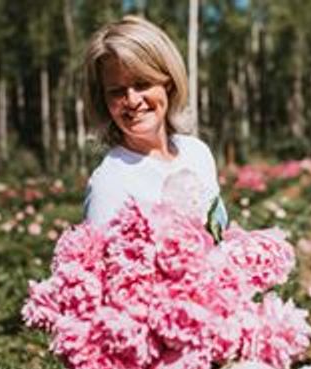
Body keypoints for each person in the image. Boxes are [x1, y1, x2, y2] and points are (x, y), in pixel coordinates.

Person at [82, 14, 227, 230]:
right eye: (117, 91)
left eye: (142, 84)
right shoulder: (109, 184)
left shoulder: (197, 153)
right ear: (103, 100)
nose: (132, 100)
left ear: (167, 82)